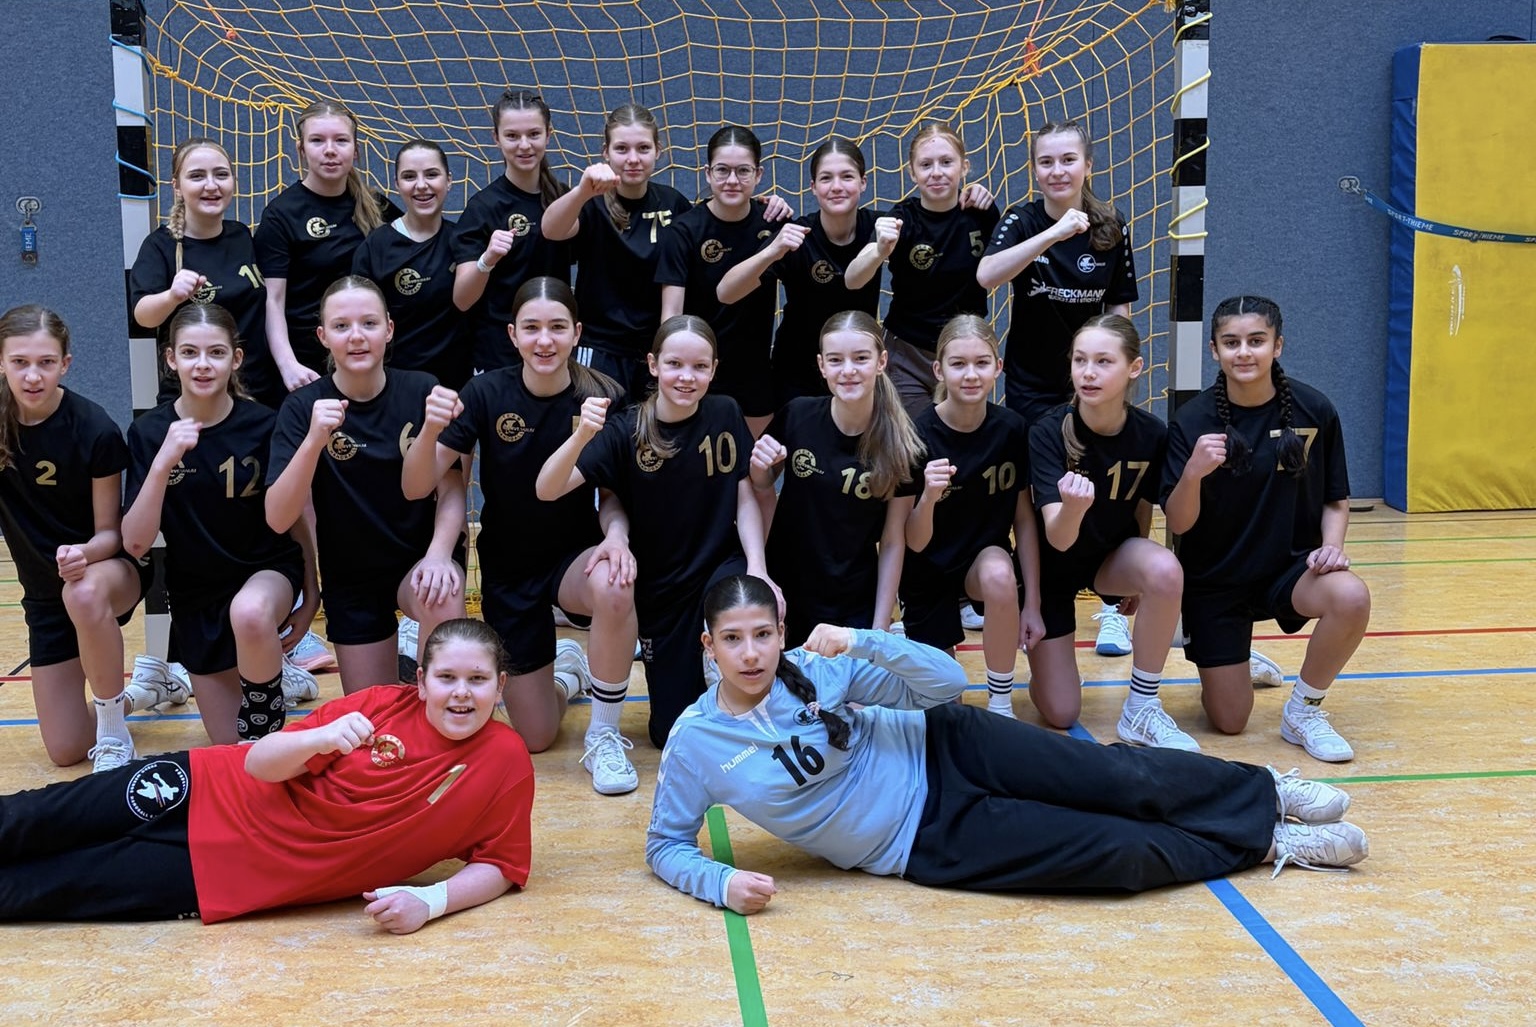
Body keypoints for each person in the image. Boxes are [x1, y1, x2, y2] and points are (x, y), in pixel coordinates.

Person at [646, 574, 1369, 914]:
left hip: (948, 745)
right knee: (1115, 854)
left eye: (763, 634)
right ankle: (1266, 843)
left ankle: (1265, 791)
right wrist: (718, 884)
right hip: (922, 838)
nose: (751, 653)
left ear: (782, 631)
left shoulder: (819, 667)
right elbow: (665, 845)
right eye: (733, 639)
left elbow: (943, 683)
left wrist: (864, 639)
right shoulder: (695, 741)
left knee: (1119, 779)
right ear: (709, 646)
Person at [0, 618, 534, 930]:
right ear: (420, 682)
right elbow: (258, 763)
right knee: (30, 818)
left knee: (40, 889)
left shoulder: (504, 762)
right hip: (205, 786)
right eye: (446, 677)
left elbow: (503, 865)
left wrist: (430, 902)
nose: (461, 692)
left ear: (500, 687)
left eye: (477, 679)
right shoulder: (379, 705)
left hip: (228, 873)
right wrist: (319, 738)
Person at [403, 277, 642, 794]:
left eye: (557, 327)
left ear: (576, 332)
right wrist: (429, 429)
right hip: (509, 568)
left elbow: (613, 495)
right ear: (512, 335)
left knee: (615, 583)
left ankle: (603, 734)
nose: (544, 340)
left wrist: (617, 538)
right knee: (536, 737)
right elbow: (416, 485)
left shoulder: (603, 395)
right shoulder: (486, 392)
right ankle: (568, 675)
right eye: (531, 328)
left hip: (574, 560)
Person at [536, 315, 778, 748]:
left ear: (713, 370)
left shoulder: (724, 411)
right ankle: (584, 672)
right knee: (668, 733)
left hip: (719, 569)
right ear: (653, 365)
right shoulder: (626, 429)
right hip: (661, 593)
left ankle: (732, 685)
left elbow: (745, 496)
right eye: (674, 365)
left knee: (746, 607)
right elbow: (547, 489)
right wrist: (582, 435)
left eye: (699, 367)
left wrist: (758, 568)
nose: (687, 377)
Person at [1162, 296, 1370, 762]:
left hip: (1290, 571)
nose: (1244, 352)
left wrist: (1332, 547)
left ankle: (1304, 711)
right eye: (1231, 342)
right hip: (1215, 581)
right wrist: (1193, 473)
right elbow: (1178, 522)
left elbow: (1335, 499)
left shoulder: (1315, 409)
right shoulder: (1192, 421)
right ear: (1214, 350)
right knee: (1230, 720)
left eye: (1256, 341)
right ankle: (1234, 656)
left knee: (1351, 596)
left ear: (1278, 345)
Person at [122, 303, 322, 745]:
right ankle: (274, 675)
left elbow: (295, 518)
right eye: (189, 353)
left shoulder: (265, 424)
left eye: (216, 352)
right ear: (170, 359)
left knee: (249, 615)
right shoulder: (149, 433)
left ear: (236, 358)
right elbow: (135, 543)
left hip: (265, 572)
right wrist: (163, 464)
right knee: (229, 749)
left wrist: (311, 592)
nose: (203, 364)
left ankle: (267, 704)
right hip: (196, 594)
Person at [977, 120, 1141, 657]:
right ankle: (1038, 598)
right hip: (1031, 385)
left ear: (1087, 166)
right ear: (1034, 170)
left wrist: (1115, 375)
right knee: (1039, 495)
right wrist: (1052, 234)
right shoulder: (1022, 220)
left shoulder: (1110, 225)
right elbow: (987, 276)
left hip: (1090, 384)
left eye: (1068, 160)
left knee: (1103, 488)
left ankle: (1113, 608)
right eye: (1046, 162)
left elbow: (1118, 308)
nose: (1057, 170)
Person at [266, 276, 467, 695]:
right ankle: (403, 667)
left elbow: (451, 490)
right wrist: (313, 442)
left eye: (369, 323)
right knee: (372, 714)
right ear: (323, 336)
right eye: (341, 326)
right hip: (351, 576)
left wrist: (438, 555)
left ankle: (432, 689)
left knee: (441, 590)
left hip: (418, 560)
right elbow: (279, 518)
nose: (356, 336)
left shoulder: (422, 390)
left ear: (389, 329)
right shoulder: (303, 408)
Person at [0, 306, 158, 771]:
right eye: (20, 362)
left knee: (83, 591)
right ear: (1, 362)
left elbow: (111, 534)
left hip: (107, 573)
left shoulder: (93, 428)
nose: (33, 376)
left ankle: (113, 733)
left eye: (46, 362)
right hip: (45, 597)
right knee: (67, 750)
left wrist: (83, 554)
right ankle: (143, 692)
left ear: (65, 364)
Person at [1026, 315, 1193, 748]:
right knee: (1061, 712)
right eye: (1080, 360)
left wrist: (1136, 577)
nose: (1088, 372)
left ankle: (1142, 706)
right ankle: (1046, 671)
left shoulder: (1151, 434)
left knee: (1164, 570)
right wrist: (1074, 508)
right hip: (1052, 573)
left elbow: (1142, 505)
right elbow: (1059, 539)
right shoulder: (1047, 432)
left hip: (1108, 560)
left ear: (1134, 368)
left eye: (1103, 361)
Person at [748, 311, 922, 647]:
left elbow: (892, 541)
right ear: (822, 366)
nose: (848, 370)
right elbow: (761, 486)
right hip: (787, 589)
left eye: (861, 358)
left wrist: (879, 627)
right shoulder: (798, 415)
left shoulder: (903, 445)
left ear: (882, 362)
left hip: (853, 600)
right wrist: (759, 466)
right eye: (836, 360)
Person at [902, 316, 1042, 717]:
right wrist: (929, 497)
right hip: (928, 572)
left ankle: (1000, 706)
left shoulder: (1013, 429)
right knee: (946, 714)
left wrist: (1032, 602)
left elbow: (1024, 521)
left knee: (999, 573)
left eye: (981, 363)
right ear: (938, 370)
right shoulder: (915, 435)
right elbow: (914, 541)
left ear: (998, 368)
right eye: (958, 364)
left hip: (982, 564)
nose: (970, 375)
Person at [844, 121, 998, 420]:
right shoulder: (901, 219)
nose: (936, 172)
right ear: (912, 172)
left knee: (960, 435)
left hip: (964, 351)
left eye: (946, 162)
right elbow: (852, 279)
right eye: (926, 165)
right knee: (917, 437)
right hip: (908, 354)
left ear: (964, 167)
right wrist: (879, 250)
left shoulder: (981, 213)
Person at [540, 102, 693, 402]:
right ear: (606, 152)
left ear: (658, 151)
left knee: (650, 431)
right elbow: (551, 230)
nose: (633, 159)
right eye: (622, 149)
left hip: (653, 351)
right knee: (593, 428)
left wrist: (759, 207)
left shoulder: (674, 204)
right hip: (599, 348)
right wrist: (583, 191)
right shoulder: (592, 204)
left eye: (643, 148)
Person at [717, 137, 881, 407]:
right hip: (797, 375)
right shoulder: (797, 235)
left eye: (847, 176)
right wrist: (771, 251)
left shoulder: (879, 228)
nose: (836, 186)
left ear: (863, 183)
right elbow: (726, 293)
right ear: (813, 187)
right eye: (826, 178)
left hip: (855, 371)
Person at [655, 125, 793, 437]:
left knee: (758, 463)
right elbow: (671, 315)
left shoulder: (774, 224)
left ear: (759, 175)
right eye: (722, 170)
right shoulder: (684, 231)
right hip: (697, 370)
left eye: (743, 171)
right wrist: (672, 371)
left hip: (753, 371)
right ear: (707, 174)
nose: (732, 180)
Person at [129, 137, 282, 408]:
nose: (211, 185)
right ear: (177, 187)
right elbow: (143, 317)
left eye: (221, 175)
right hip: (194, 397)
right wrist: (172, 296)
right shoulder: (161, 246)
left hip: (258, 393)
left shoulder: (241, 235)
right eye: (197, 176)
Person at [254, 99, 383, 391]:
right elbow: (273, 300)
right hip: (307, 366)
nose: (330, 150)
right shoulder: (281, 215)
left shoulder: (376, 206)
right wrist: (287, 365)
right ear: (301, 150)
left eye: (341, 140)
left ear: (356, 150)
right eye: (317, 140)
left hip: (364, 358)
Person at [452, 89, 572, 373]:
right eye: (512, 136)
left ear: (549, 134)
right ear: (496, 138)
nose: (524, 145)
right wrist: (487, 260)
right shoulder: (482, 208)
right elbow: (462, 300)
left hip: (553, 348)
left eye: (534, 134)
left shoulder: (564, 200)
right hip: (498, 353)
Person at [353, 139, 470, 390]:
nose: (421, 185)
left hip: (457, 388)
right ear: (397, 184)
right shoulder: (376, 248)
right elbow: (361, 322)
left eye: (431, 174)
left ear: (449, 180)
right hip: (395, 387)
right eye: (409, 176)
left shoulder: (464, 242)